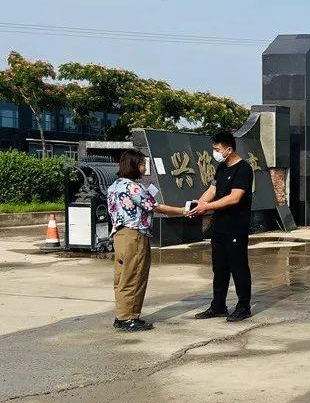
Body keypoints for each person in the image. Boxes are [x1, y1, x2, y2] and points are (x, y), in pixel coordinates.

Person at [106, 149, 188, 332]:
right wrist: (183, 210)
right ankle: (129, 318)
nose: (144, 168)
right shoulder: (133, 188)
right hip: (134, 236)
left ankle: (122, 315)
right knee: (135, 275)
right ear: (134, 165)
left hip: (120, 235)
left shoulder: (115, 186)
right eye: (142, 164)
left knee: (122, 275)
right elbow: (157, 207)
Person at [189, 131, 255, 322]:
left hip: (236, 226)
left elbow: (235, 197)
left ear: (229, 149)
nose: (214, 153)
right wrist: (198, 204)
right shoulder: (221, 167)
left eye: (217, 149)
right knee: (219, 268)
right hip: (219, 226)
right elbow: (213, 189)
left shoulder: (243, 169)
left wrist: (206, 207)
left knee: (238, 266)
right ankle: (218, 305)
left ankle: (244, 306)